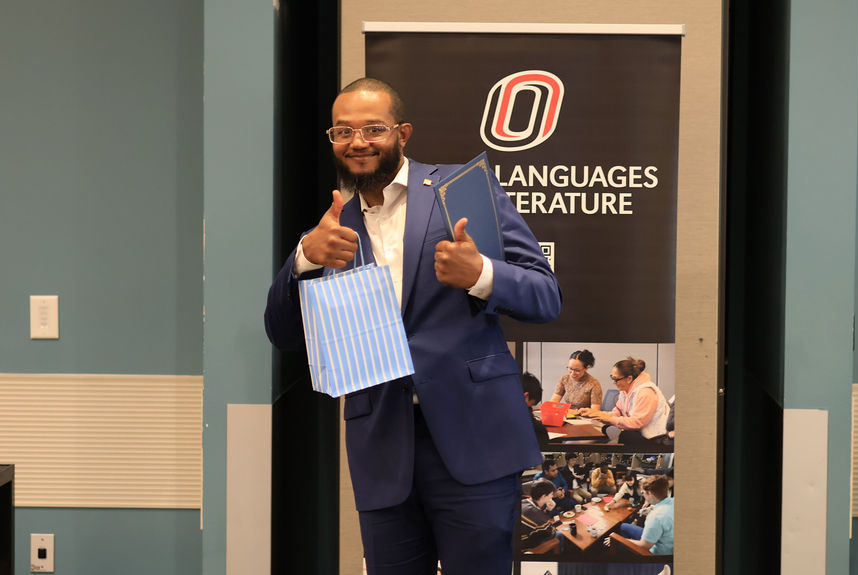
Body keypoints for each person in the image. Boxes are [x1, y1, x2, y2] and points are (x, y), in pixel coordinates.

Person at [264, 77, 562, 575]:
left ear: (402, 133)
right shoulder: (332, 229)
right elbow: (283, 334)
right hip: (383, 451)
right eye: (342, 131)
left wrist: (481, 275)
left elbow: (546, 296)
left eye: (373, 129)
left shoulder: (461, 191)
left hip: (475, 439)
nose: (357, 142)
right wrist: (302, 259)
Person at [580, 357, 669, 447]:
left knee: (625, 435)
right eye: (612, 378)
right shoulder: (625, 390)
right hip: (639, 433)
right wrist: (595, 414)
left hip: (655, 439)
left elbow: (637, 423)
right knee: (605, 428)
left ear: (629, 378)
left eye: (616, 379)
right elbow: (616, 413)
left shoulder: (646, 392)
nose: (614, 382)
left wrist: (608, 419)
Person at [605, 475, 674, 556]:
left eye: (643, 493)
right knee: (623, 526)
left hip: (657, 552)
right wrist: (650, 508)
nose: (643, 495)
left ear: (650, 493)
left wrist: (619, 540)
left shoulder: (655, 517)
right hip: (668, 542)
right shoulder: (673, 501)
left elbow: (644, 546)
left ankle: (625, 555)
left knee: (611, 542)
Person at [520, 480, 565, 552]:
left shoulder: (525, 501)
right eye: (551, 494)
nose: (552, 496)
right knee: (559, 534)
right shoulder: (537, 514)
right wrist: (549, 511)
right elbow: (551, 533)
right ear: (544, 496)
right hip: (523, 545)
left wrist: (547, 510)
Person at [522, 372, 549, 447]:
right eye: (530, 405)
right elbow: (542, 434)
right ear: (526, 396)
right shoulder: (521, 412)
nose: (530, 408)